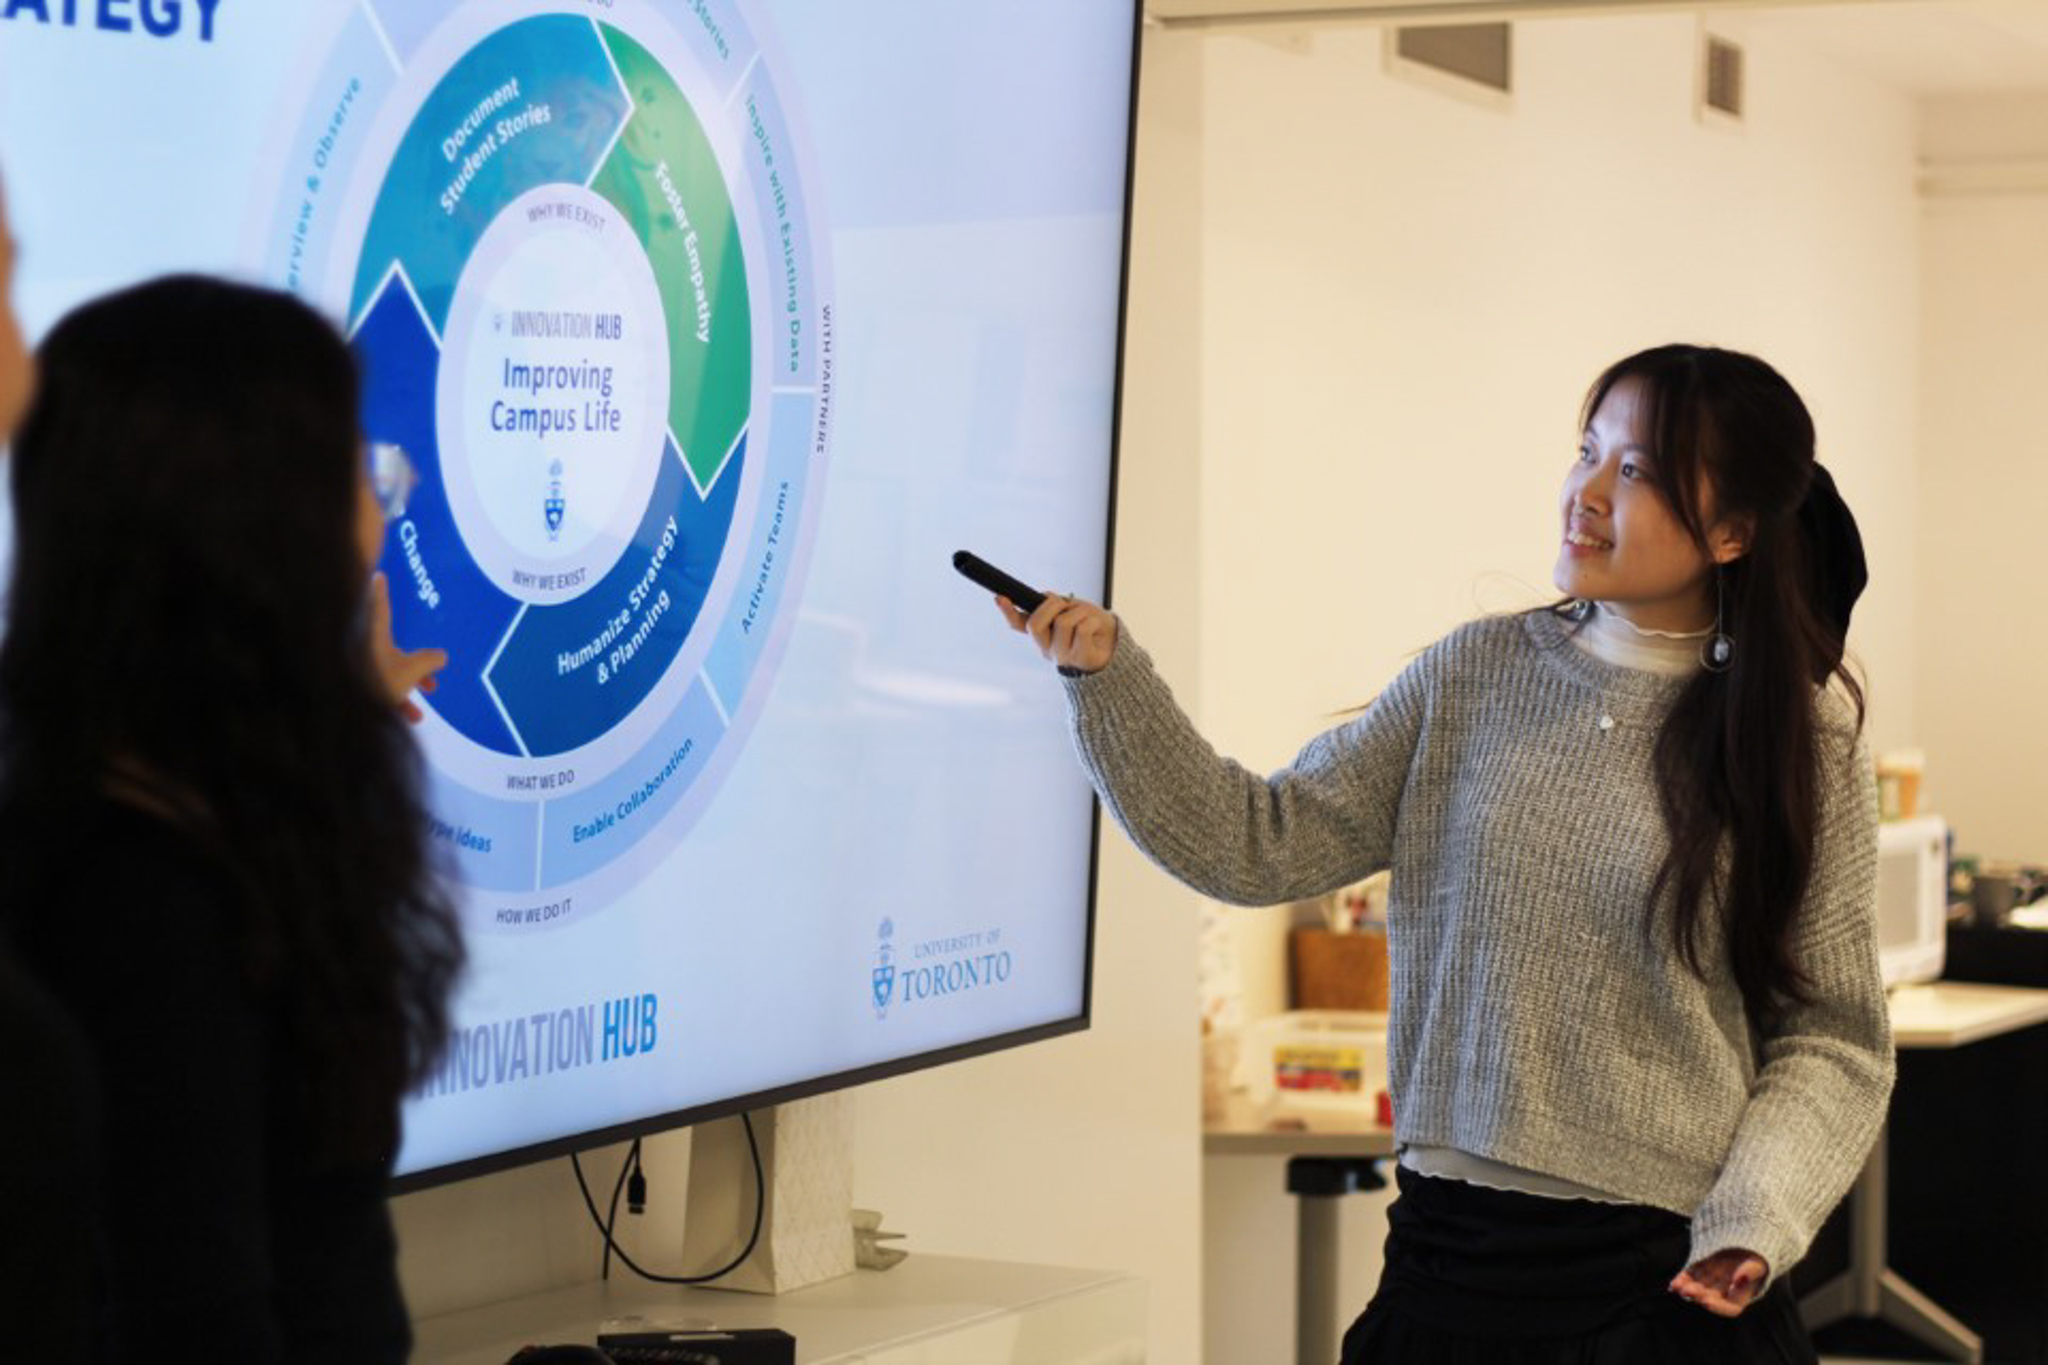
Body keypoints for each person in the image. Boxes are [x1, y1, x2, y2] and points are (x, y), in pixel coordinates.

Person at [996, 344, 1892, 1362]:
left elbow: (1831, 1038)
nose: (1585, 494)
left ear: (1732, 531)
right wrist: (1106, 677)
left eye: (1635, 471)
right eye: (1584, 452)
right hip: (1444, 1264)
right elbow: (1254, 844)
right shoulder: (1471, 676)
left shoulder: (1796, 738)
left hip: (1668, 1294)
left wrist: (1755, 1219)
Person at [0, 273, 463, 1362]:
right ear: (256, 523)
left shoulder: (166, 813)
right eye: (351, 464)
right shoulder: (145, 912)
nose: (378, 506)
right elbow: (199, 1315)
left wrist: (337, 709)